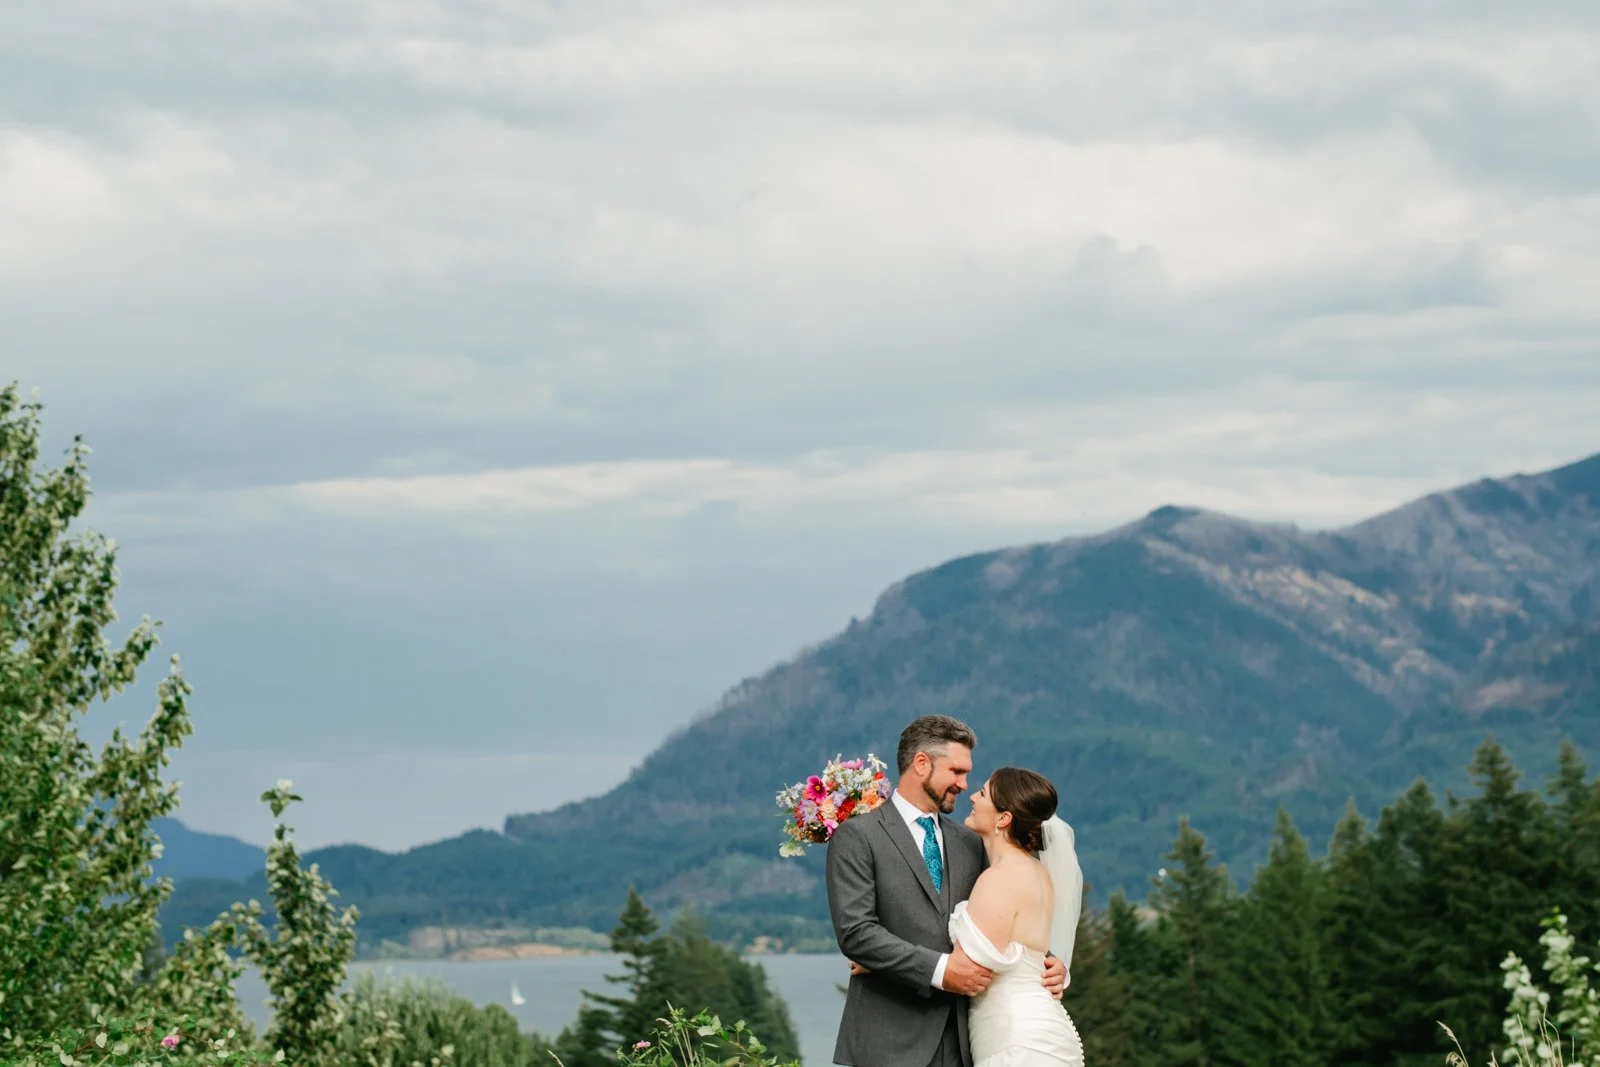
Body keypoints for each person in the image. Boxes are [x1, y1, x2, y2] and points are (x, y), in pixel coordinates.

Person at [826, 715, 1070, 1067]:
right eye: (956, 771)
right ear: (921, 764)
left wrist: (1046, 962)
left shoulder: (972, 842)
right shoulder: (858, 836)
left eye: (968, 774)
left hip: (966, 1043)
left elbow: (1004, 918)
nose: (963, 784)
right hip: (890, 1041)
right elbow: (855, 932)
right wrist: (938, 969)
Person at [954, 767, 1084, 1067]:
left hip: (1017, 1041)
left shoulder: (1000, 877)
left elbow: (967, 970)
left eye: (983, 793)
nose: (973, 796)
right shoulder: (1039, 873)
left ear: (1003, 818)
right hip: (1043, 1030)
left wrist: (881, 964)